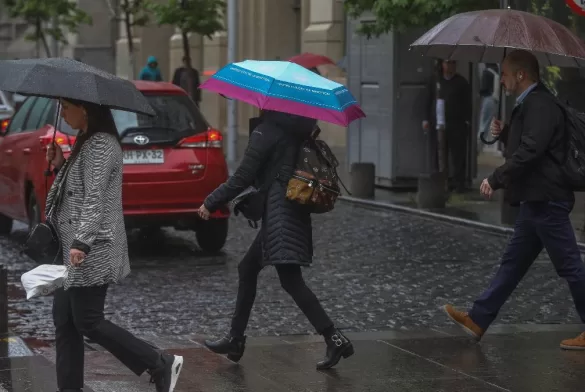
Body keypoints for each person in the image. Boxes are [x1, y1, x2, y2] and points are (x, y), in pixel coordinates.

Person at [443, 49, 585, 350]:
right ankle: (479, 319)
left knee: (570, 265)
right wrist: (506, 133)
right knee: (512, 264)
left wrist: (496, 178)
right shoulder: (531, 103)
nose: (502, 80)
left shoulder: (541, 103)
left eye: (505, 74)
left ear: (521, 75)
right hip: (535, 201)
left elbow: (533, 150)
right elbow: (534, 143)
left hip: (547, 199)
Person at [198, 110, 354, 370]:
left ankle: (334, 338)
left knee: (291, 280)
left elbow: (243, 176)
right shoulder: (296, 128)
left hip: (280, 213)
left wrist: (211, 201)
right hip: (289, 210)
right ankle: (235, 339)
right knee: (248, 268)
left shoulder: (266, 131)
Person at [46, 99, 183, 392]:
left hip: (91, 247)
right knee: (65, 318)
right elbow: (76, 192)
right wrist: (60, 165)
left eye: (66, 107)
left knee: (88, 321)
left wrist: (82, 242)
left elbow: (94, 199)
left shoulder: (101, 145)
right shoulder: (85, 141)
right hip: (73, 244)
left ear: (84, 109)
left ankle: (159, 362)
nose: (64, 114)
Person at [478, 63, 500, 150]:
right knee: (488, 123)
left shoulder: (486, 72)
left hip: (488, 98)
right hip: (495, 100)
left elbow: (483, 88)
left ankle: (479, 145)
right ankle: (484, 144)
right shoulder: (496, 72)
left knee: (484, 122)